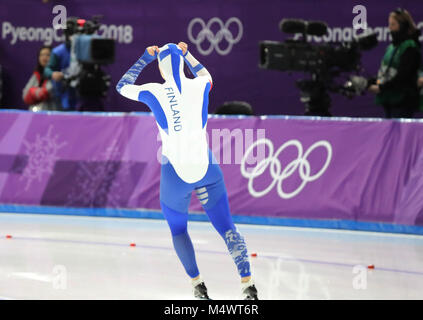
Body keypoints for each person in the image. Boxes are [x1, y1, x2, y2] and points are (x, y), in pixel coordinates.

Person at [116, 42, 258, 300]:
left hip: (176, 174)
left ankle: (197, 285)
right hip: (207, 168)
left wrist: (144, 58)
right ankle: (248, 283)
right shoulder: (200, 84)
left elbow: (122, 86)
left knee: (179, 231)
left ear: (160, 69)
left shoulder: (153, 91)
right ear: (181, 63)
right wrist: (187, 53)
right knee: (228, 228)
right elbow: (206, 75)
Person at [368, 8, 421, 118]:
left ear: (402, 25)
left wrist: (381, 87)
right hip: (388, 100)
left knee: (400, 134)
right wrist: (371, 83)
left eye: (393, 24)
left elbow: (404, 75)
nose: (390, 28)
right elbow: (384, 74)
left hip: (402, 100)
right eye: (389, 24)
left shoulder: (410, 47)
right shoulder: (391, 47)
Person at [22, 45, 58, 111]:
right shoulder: (36, 74)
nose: (44, 57)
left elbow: (48, 91)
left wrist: (33, 92)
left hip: (52, 114)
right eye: (41, 55)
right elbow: (25, 95)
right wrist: (37, 92)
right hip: (35, 115)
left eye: (47, 55)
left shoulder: (56, 74)